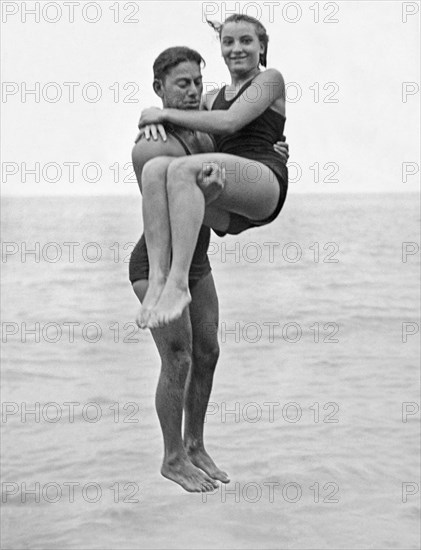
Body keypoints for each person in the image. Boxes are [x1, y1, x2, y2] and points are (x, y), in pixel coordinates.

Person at [130, 45, 289, 493]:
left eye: (198, 82)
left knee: (209, 353)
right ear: (159, 88)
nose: (194, 92)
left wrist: (271, 152)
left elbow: (219, 226)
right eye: (183, 85)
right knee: (178, 357)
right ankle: (172, 457)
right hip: (153, 266)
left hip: (197, 264)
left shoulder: (204, 138)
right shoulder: (153, 145)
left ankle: (195, 444)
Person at [137, 14, 288, 330]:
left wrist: (162, 113)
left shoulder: (270, 79)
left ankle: (178, 284)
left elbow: (230, 122)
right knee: (155, 170)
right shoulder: (209, 98)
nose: (236, 48)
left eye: (246, 41)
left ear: (262, 47)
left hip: (262, 180)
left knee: (180, 170)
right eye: (228, 41)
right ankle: (158, 279)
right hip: (228, 205)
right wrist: (151, 119)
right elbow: (185, 112)